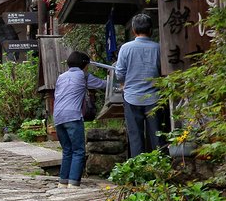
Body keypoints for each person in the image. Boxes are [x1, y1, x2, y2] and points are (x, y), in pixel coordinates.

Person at [53, 51, 107, 186]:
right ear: (84, 65)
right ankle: (73, 183)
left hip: (58, 117)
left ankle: (63, 182)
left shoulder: (61, 77)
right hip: (73, 116)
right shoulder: (84, 76)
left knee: (67, 150)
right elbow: (102, 84)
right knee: (78, 150)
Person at [115, 12, 164, 157]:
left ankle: (138, 166)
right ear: (151, 30)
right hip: (154, 97)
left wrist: (124, 84)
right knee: (157, 135)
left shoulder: (126, 48)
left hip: (131, 96)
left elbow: (119, 73)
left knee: (135, 136)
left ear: (133, 30)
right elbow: (163, 71)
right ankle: (160, 164)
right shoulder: (158, 48)